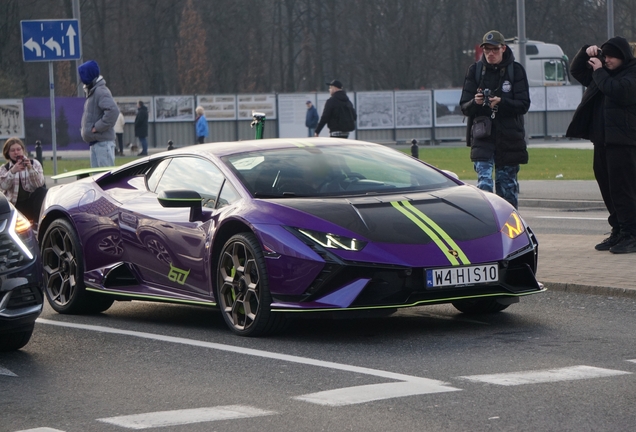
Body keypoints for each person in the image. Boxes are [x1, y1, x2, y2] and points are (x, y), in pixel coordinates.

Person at [566, 36, 636, 254]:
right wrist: (586, 50)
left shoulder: (630, 74)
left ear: (623, 56)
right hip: (602, 141)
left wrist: (599, 71)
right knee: (607, 188)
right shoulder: (603, 75)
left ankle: (631, 234)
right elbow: (577, 71)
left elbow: (618, 91)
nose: (607, 60)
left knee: (623, 189)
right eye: (605, 56)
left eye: (612, 56)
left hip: (623, 142)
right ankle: (618, 230)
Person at [459, 30, 530, 209]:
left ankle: (510, 230)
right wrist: (476, 102)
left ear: (503, 49)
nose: (491, 53)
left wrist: (501, 102)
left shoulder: (516, 71)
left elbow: (523, 104)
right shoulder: (475, 71)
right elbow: (464, 107)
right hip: (483, 137)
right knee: (484, 186)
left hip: (509, 138)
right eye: (487, 50)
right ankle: (488, 227)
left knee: (507, 190)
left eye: (495, 49)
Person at [78, 60, 119, 167]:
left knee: (105, 179)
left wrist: (97, 127)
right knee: (97, 180)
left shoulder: (100, 91)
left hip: (103, 144)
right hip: (96, 143)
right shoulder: (93, 91)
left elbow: (113, 111)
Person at [0, 137, 46, 223]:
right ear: (8, 153)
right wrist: (13, 171)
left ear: (23, 150)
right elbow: (3, 186)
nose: (16, 152)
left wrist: (30, 168)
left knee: (42, 191)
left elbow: (39, 184)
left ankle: (37, 223)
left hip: (31, 203)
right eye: (12, 150)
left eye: (18, 149)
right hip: (15, 205)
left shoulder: (34, 163)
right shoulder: (4, 168)